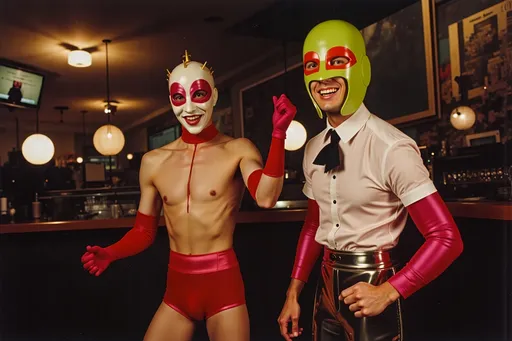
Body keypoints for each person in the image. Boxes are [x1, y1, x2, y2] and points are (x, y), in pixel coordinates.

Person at [81, 51, 297, 341]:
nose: (190, 107)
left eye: (199, 94)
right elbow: (144, 232)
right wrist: (111, 253)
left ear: (215, 96)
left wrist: (278, 136)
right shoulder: (154, 161)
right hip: (177, 289)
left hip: (223, 286)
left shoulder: (238, 150)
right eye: (179, 97)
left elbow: (267, 197)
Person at [277, 20, 463, 341]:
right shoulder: (312, 148)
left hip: (373, 282)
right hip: (324, 285)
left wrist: (390, 291)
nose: (323, 77)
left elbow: (446, 238)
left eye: (337, 61)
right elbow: (313, 226)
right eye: (312, 66)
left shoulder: (391, 147)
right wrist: (293, 293)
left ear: (361, 69)